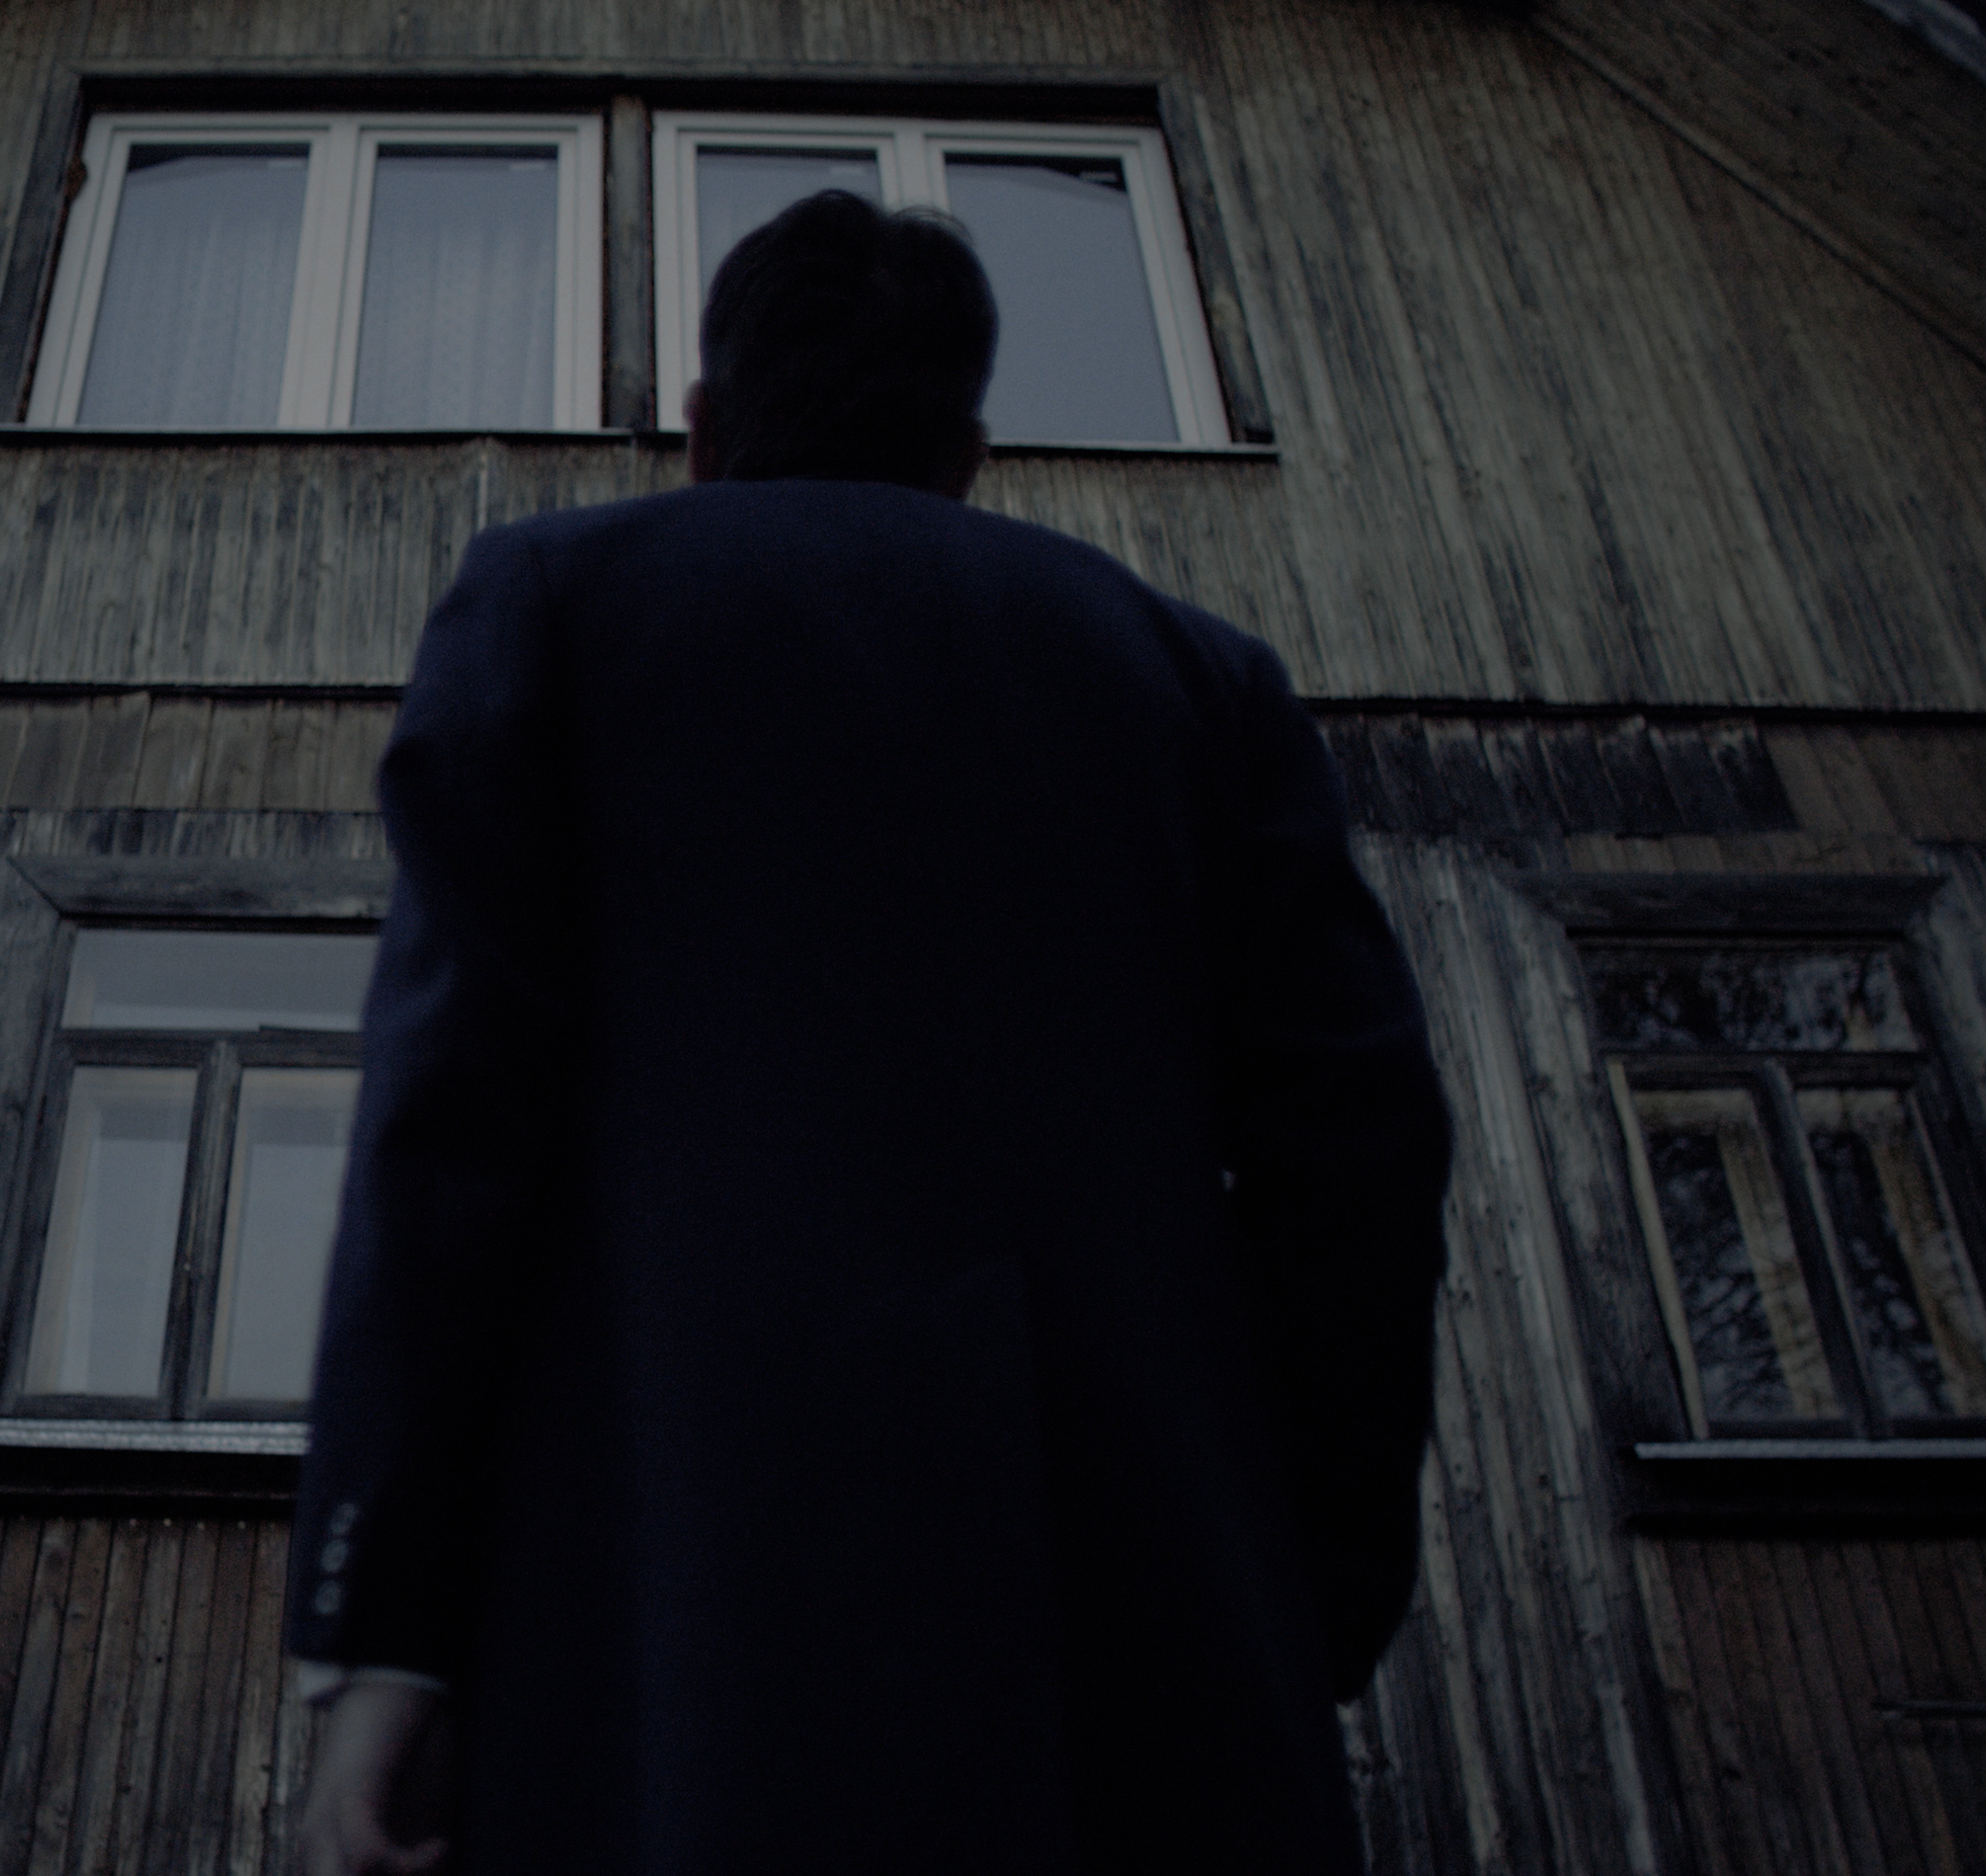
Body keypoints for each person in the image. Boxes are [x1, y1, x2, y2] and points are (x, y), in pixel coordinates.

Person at [286, 190, 1452, 1876]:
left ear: (703, 428)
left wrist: (387, 1629)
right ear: (969, 450)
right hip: (1145, 1664)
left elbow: (447, 1121)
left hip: (667, 1659)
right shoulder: (1204, 683)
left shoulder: (553, 606)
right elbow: (1361, 1157)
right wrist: (1296, 1595)